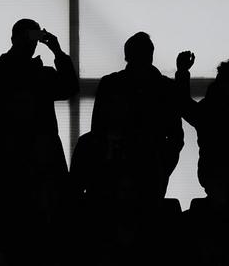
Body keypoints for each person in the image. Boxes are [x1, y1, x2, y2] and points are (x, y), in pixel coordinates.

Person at [0, 20, 78, 217]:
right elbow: (70, 88)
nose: (30, 43)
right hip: (40, 154)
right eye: (28, 37)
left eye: (33, 38)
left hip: (10, 154)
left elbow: (70, 88)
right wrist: (57, 52)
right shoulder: (41, 75)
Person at [82, 32, 184, 205]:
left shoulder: (110, 84)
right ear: (151, 55)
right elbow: (176, 136)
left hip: (115, 167)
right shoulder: (165, 87)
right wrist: (162, 166)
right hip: (150, 169)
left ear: (126, 56)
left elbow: (97, 131)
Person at [175, 51, 229, 202]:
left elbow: (184, 105)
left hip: (212, 178)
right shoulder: (211, 109)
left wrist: (182, 72)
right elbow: (185, 105)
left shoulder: (211, 110)